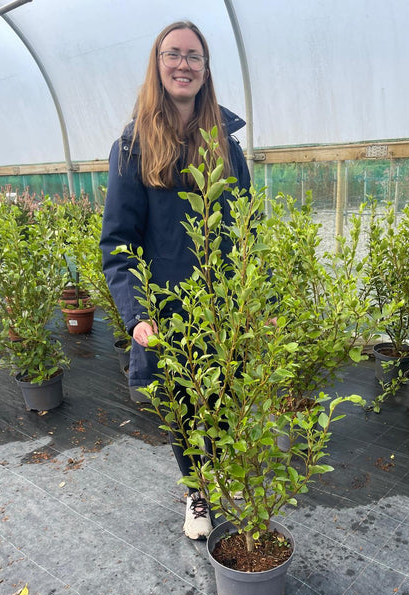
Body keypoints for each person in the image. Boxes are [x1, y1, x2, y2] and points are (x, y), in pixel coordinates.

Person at [100, 21, 250, 540]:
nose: (183, 64)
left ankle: (221, 475)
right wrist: (137, 314)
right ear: (158, 63)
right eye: (173, 54)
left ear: (205, 69)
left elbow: (246, 230)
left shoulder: (227, 147)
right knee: (183, 408)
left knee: (225, 395)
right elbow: (118, 243)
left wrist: (259, 301)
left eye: (194, 56)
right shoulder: (133, 148)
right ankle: (197, 492)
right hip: (169, 311)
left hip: (224, 307)